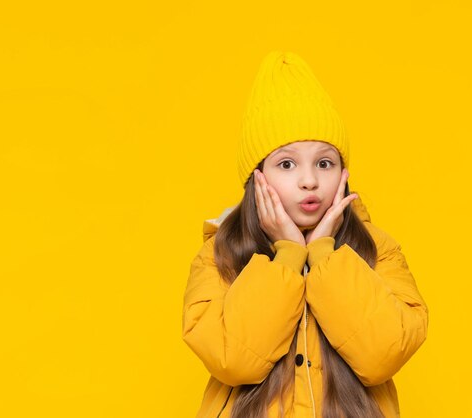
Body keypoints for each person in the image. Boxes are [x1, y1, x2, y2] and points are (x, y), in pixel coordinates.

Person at [182, 51, 429, 418]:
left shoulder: (379, 251)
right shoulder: (218, 254)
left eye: (325, 163)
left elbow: (382, 355)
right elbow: (233, 360)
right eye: (286, 164)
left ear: (343, 173)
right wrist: (288, 256)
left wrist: (324, 256)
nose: (310, 180)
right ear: (257, 177)